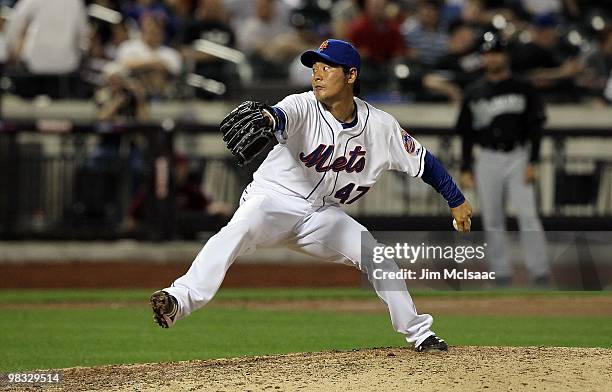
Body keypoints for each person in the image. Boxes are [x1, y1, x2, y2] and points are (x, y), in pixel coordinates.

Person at [150, 39, 472, 352]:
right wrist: (266, 117)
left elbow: (424, 162)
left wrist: (455, 200)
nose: (316, 74)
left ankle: (419, 333)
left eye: (326, 67)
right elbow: (279, 115)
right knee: (236, 230)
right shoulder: (303, 104)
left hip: (320, 215)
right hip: (272, 200)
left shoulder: (380, 126)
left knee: (375, 254)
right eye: (314, 67)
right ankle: (179, 300)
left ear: (351, 75)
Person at [456, 32, 550, 287]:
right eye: (488, 53)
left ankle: (539, 272)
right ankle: (500, 273)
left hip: (518, 156)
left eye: (496, 52)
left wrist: (533, 161)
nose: (493, 57)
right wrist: (466, 166)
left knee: (528, 215)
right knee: (493, 218)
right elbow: (466, 132)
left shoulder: (524, 87)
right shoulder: (474, 91)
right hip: (486, 158)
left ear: (505, 55)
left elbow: (535, 127)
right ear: (483, 57)